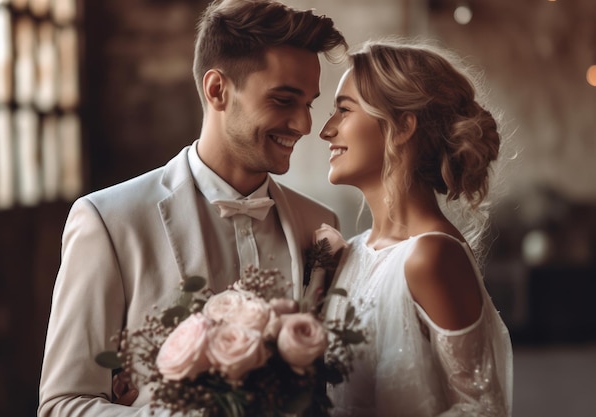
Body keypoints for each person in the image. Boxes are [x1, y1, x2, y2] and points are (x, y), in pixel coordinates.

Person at [38, 0, 347, 415]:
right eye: (283, 100)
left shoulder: (320, 224)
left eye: (308, 103)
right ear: (217, 89)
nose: (305, 125)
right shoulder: (108, 222)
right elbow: (62, 404)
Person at [320, 38, 513, 416]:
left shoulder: (431, 256)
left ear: (403, 125)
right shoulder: (351, 253)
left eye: (344, 110)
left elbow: (482, 409)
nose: (326, 130)